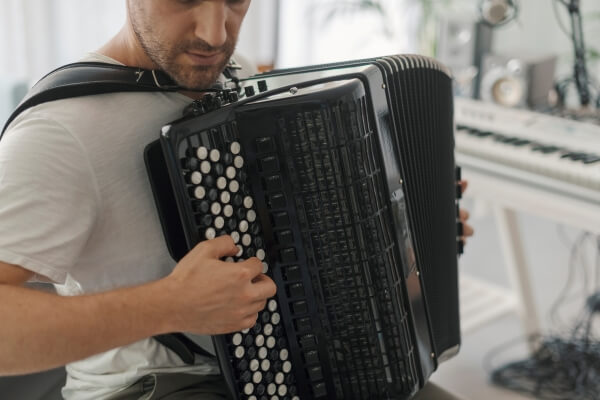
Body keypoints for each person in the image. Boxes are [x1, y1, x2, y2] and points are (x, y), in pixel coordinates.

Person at [0, 1, 473, 399]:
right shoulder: (59, 133)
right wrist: (169, 305)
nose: (214, 31)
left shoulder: (230, 70)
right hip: (154, 387)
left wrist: (407, 228)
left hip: (277, 359)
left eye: (235, 0)